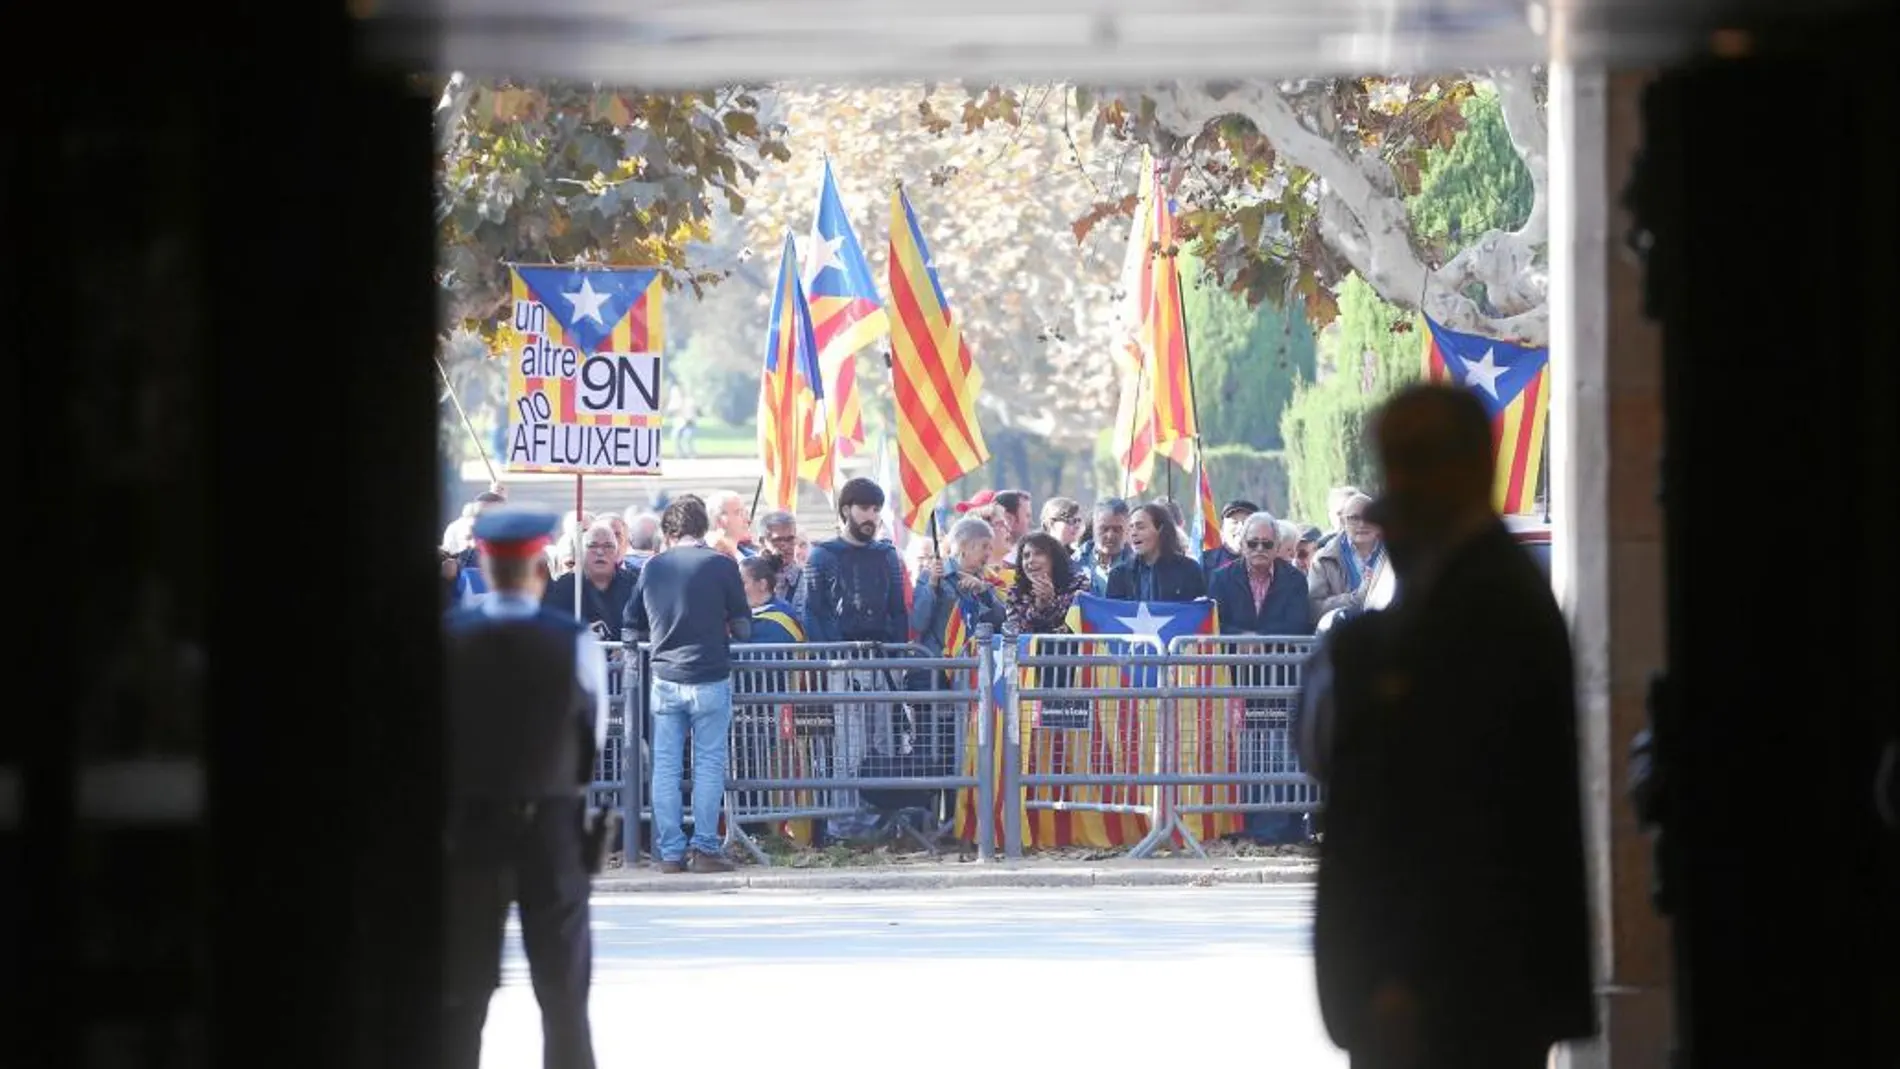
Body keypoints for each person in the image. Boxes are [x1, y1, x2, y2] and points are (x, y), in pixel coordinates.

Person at [1302, 383, 1594, 1069]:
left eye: (1410, 460)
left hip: (1450, 979)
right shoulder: (1448, 579)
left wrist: (1405, 975)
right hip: (1433, 976)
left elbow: (1447, 803)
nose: (1394, 486)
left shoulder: (1488, 598)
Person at [441, 508, 607, 1069]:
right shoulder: (574, 640)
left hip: (467, 825)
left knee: (461, 996)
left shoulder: (449, 637)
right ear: (540, 566)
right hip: (553, 822)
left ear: (484, 566)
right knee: (563, 995)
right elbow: (593, 734)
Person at [623, 495, 751, 875]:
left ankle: (670, 853)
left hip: (665, 677)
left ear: (668, 531)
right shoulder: (722, 565)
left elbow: (630, 624)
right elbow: (745, 628)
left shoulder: (652, 568)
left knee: (665, 767)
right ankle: (705, 848)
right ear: (703, 528)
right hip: (711, 676)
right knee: (709, 764)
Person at [1105, 502, 1208, 602]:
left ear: (1160, 529)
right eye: (1130, 528)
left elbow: (1198, 613)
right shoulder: (1118, 575)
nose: (1133, 533)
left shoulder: (1189, 570)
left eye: (1140, 527)